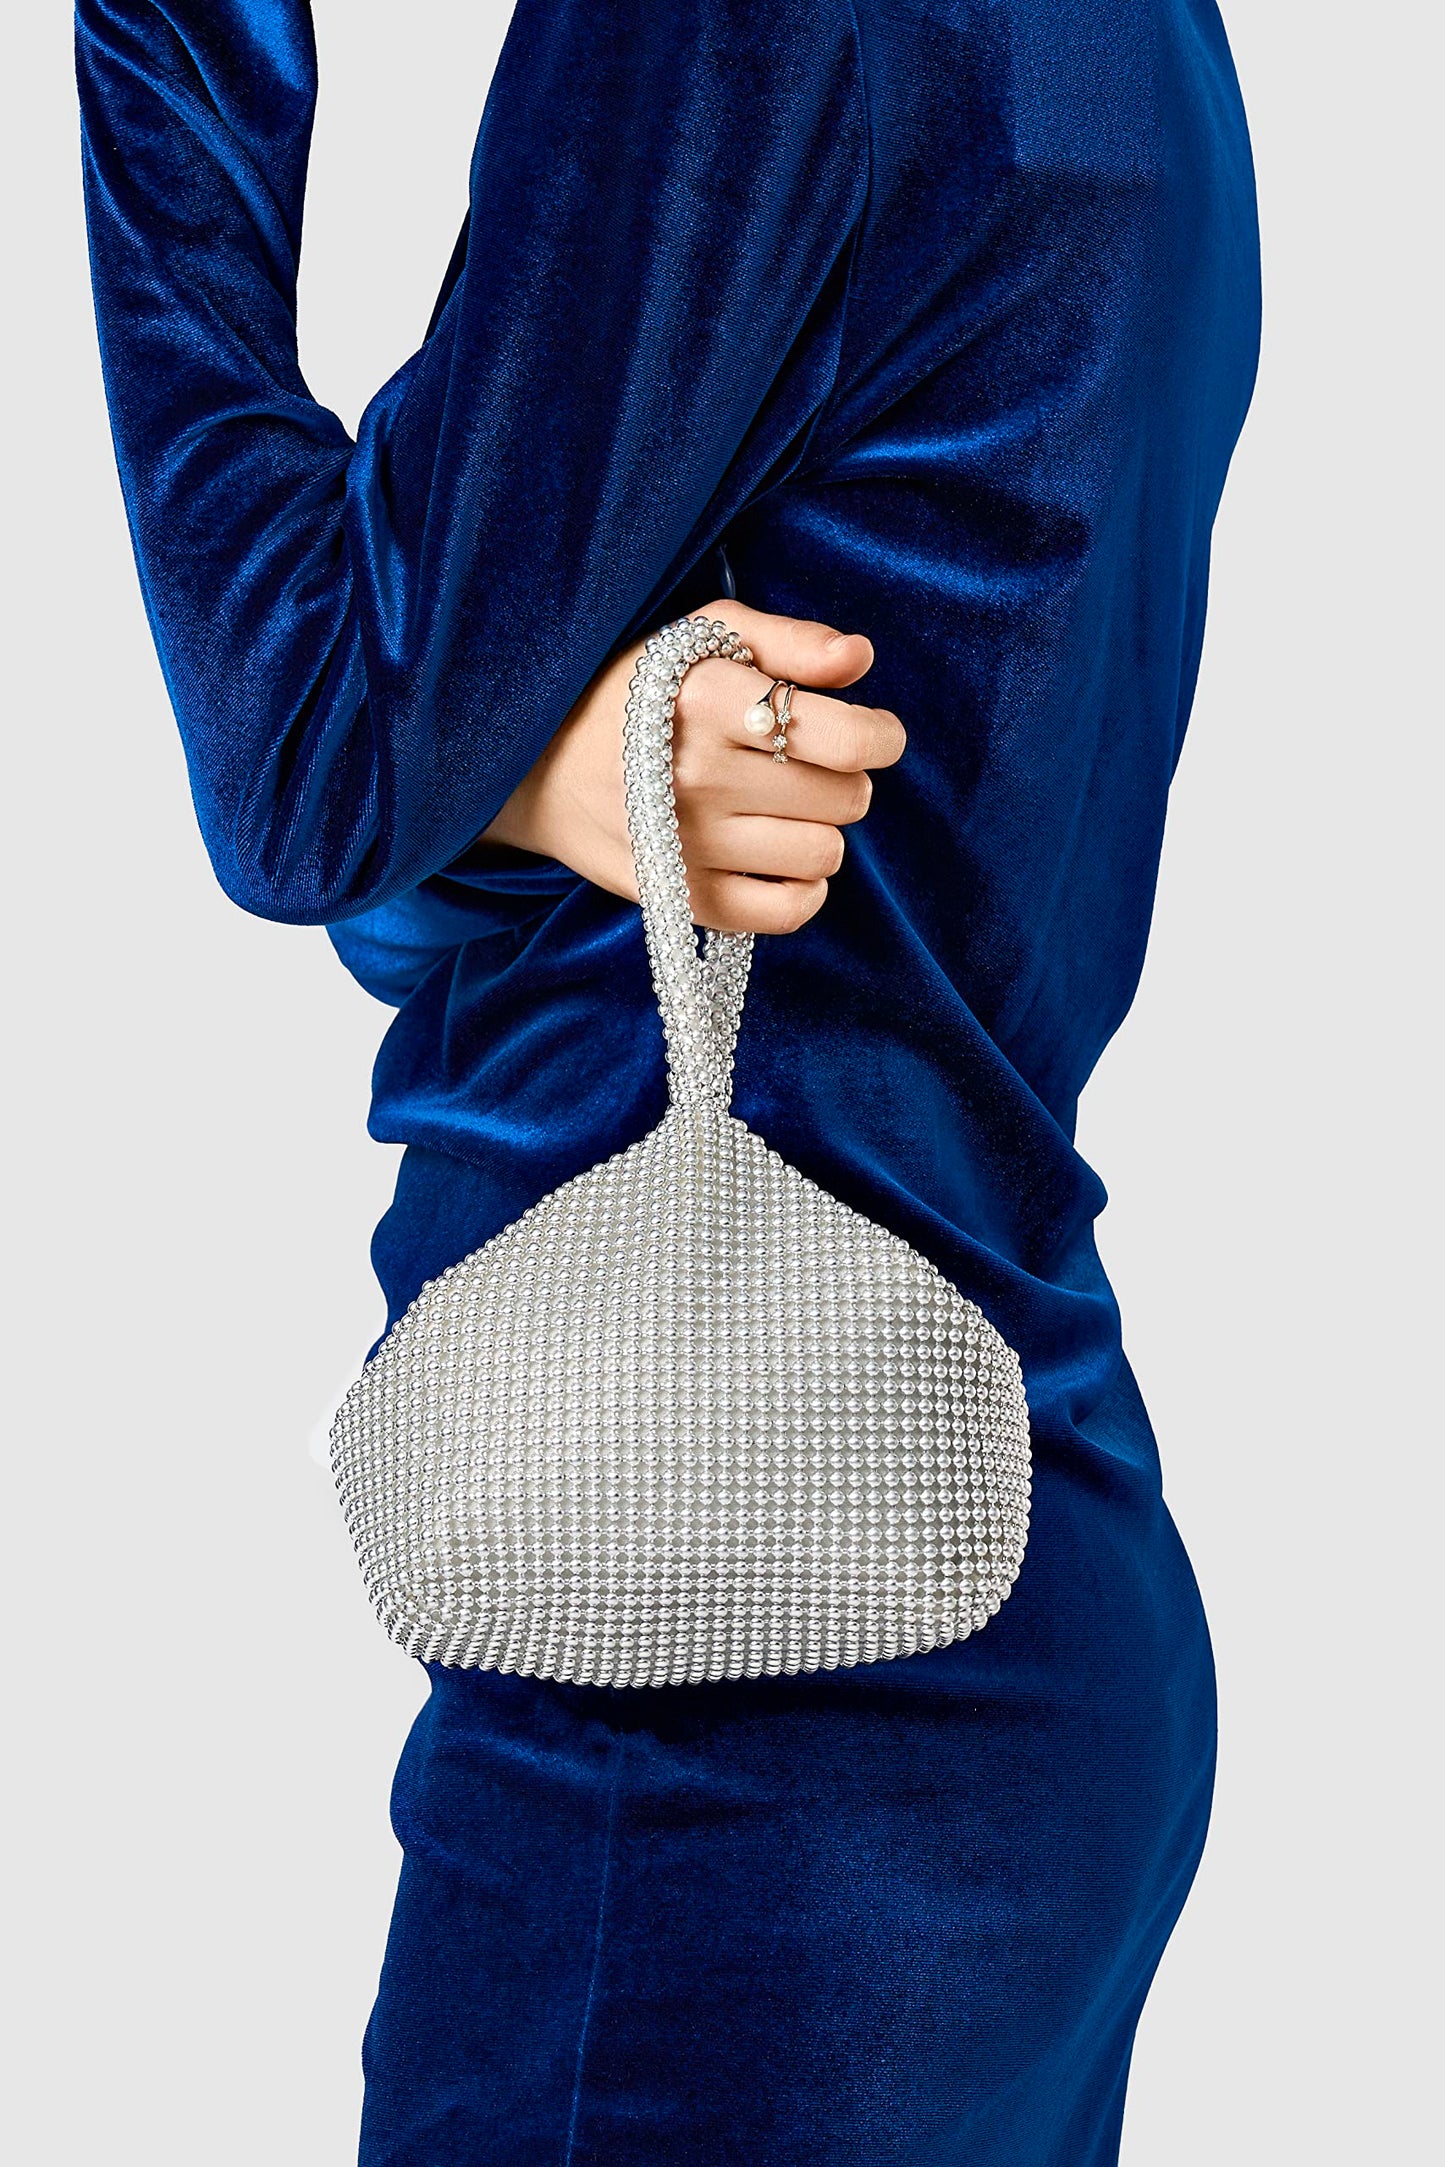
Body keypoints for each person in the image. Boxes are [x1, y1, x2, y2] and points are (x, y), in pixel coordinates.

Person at [76, 0, 1260, 2158]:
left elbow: (307, 767)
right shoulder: (1143, 42)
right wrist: (544, 780)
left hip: (719, 1709)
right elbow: (454, 834)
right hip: (1014, 1579)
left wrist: (168, 46)